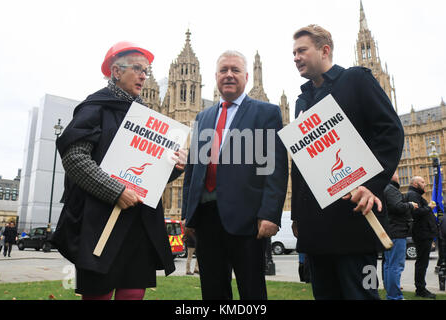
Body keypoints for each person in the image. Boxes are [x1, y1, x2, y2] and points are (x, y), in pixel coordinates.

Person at [52, 41, 187, 300]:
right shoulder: (95, 107)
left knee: (133, 293)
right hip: (99, 223)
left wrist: (174, 166)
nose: (143, 76)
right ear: (116, 71)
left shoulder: (148, 117)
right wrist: (115, 191)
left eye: (146, 70)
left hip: (138, 226)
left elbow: (147, 173)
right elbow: (75, 158)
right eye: (137, 68)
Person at [290, 25, 404, 300]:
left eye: (302, 50)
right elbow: (301, 164)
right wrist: (296, 214)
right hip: (317, 230)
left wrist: (371, 185)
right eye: (293, 53)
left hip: (353, 222)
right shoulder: (302, 101)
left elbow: (391, 131)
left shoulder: (356, 79)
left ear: (324, 50)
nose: (295, 57)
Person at [182, 50, 288, 300]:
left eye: (235, 70)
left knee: (251, 290)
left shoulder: (266, 112)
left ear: (247, 76)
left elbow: (274, 167)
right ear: (216, 76)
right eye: (223, 70)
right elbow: (193, 170)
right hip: (207, 219)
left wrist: (270, 214)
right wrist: (189, 214)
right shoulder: (203, 116)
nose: (229, 75)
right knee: (213, 290)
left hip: (248, 220)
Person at [382, 171, 417, 300]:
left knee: (389, 265)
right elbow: (397, 207)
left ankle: (391, 293)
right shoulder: (390, 189)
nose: (398, 175)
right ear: (391, 174)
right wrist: (411, 205)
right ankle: (394, 296)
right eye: (396, 172)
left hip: (390, 231)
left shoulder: (385, 187)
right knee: (396, 266)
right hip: (397, 232)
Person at [406, 176, 438, 299]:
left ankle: (421, 288)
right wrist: (429, 207)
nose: (425, 184)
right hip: (422, 234)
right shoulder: (413, 195)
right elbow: (416, 213)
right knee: (422, 263)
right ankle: (420, 289)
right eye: (422, 182)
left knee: (422, 262)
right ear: (415, 183)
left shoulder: (415, 195)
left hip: (425, 233)